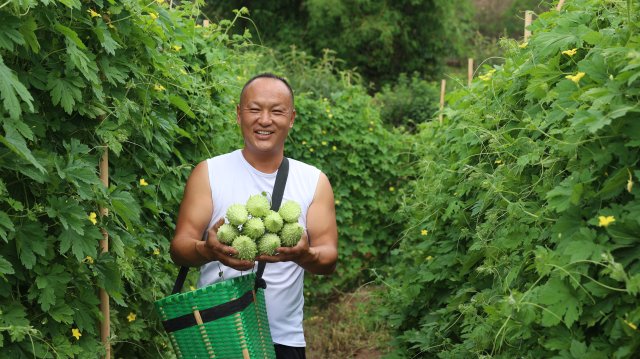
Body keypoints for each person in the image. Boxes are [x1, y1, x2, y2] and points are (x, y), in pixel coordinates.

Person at [169, 73, 338, 359]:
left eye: (276, 111)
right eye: (254, 109)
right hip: (217, 333)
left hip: (282, 340)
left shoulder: (313, 181)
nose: (264, 120)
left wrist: (303, 254)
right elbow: (179, 249)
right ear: (239, 114)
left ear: (292, 118)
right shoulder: (209, 173)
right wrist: (208, 250)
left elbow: (329, 258)